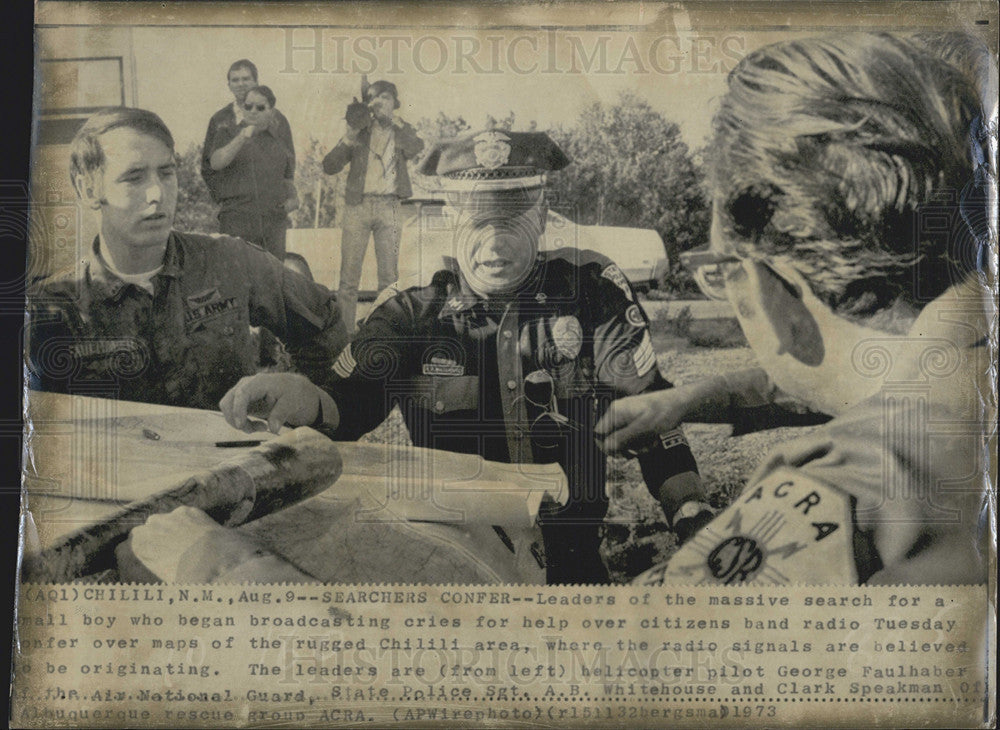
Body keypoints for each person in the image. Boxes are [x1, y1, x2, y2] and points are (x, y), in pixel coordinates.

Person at [123, 130, 715, 585]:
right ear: (450, 218)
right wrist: (301, 393)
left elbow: (651, 417)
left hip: (575, 558)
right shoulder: (412, 314)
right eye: (478, 218)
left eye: (513, 216)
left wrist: (688, 510)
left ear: (540, 213)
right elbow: (345, 408)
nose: (496, 239)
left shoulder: (592, 289)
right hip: (461, 555)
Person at [595, 33, 994, 586]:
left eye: (722, 270)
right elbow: (864, 369)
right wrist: (685, 401)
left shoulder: (845, 492)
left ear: (770, 289)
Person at [27, 107, 348, 411]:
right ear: (87, 190)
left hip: (232, 465)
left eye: (166, 173)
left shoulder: (230, 260)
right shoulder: (54, 307)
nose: (157, 194)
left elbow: (324, 322)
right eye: (134, 177)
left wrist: (303, 402)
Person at [322, 80, 424, 331]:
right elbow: (329, 165)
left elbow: (416, 147)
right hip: (358, 206)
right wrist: (349, 135)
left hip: (389, 206)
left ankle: (385, 332)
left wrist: (395, 122)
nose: (379, 103)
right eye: (373, 98)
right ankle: (344, 336)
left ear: (395, 103)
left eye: (385, 97)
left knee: (389, 278)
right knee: (348, 280)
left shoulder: (401, 130)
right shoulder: (359, 130)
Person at [201, 59, 296, 255]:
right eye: (235, 80)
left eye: (246, 78)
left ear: (256, 81)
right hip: (236, 215)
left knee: (273, 275)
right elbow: (209, 166)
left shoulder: (277, 119)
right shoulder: (220, 121)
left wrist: (291, 197)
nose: (241, 84)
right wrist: (224, 200)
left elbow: (289, 164)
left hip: (272, 215)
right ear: (228, 85)